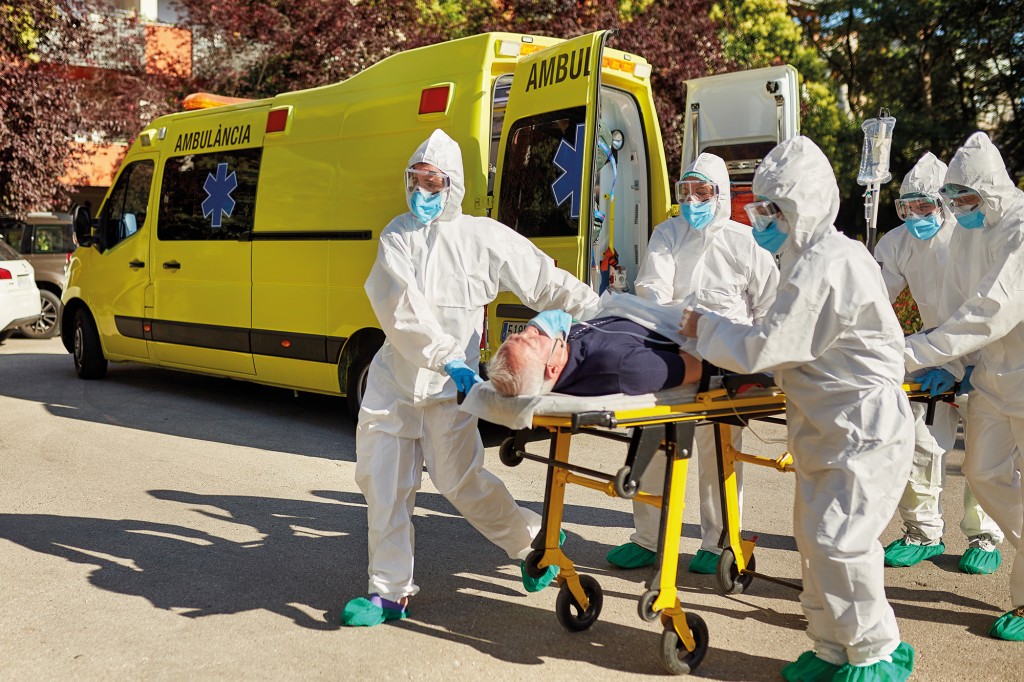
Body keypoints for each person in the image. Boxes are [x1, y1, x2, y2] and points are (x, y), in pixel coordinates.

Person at [342, 129, 600, 627]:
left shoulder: (483, 239)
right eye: (415, 181)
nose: (421, 192)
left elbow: (544, 279)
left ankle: (533, 541)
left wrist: (598, 313)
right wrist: (447, 357)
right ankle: (388, 592)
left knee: (460, 480)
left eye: (432, 183)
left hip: (448, 393)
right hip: (396, 384)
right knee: (385, 485)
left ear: (453, 186)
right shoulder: (396, 236)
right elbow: (402, 312)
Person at [681, 136, 915, 680]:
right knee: (815, 541)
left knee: (842, 543)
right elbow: (782, 338)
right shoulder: (803, 260)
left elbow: (769, 345)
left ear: (802, 208)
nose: (762, 219)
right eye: (761, 208)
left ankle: (877, 654)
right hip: (826, 424)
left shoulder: (830, 263)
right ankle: (833, 647)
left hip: (862, 429)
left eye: (773, 209)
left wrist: (705, 328)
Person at [605, 152, 779, 574]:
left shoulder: (745, 242)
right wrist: (673, 325)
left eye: (701, 192)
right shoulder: (667, 234)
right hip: (670, 356)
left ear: (719, 195)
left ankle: (718, 542)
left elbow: (770, 308)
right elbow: (652, 289)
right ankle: (649, 538)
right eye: (686, 191)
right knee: (653, 445)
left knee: (720, 453)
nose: (692, 200)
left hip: (727, 362)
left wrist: (759, 362)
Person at [902, 131, 1024, 642]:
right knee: (982, 471)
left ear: (991, 190)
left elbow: (991, 311)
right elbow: (958, 307)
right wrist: (951, 364)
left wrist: (910, 353)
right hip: (995, 377)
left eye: (965, 199)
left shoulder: (1019, 227)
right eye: (953, 200)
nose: (958, 209)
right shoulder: (970, 233)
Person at [874, 152, 1004, 573]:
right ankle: (922, 531)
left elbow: (990, 310)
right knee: (921, 441)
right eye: (906, 207)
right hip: (933, 354)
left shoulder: (970, 239)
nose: (915, 215)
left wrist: (973, 364)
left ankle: (985, 535)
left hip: (986, 354)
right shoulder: (897, 243)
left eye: (924, 205)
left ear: (944, 204)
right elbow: (874, 301)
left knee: (984, 453)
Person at [488, 308, 703, 397]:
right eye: (531, 341)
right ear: (552, 368)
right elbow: (698, 366)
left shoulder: (566, 348)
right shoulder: (621, 367)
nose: (531, 330)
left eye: (519, 334)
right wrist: (703, 327)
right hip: (699, 328)